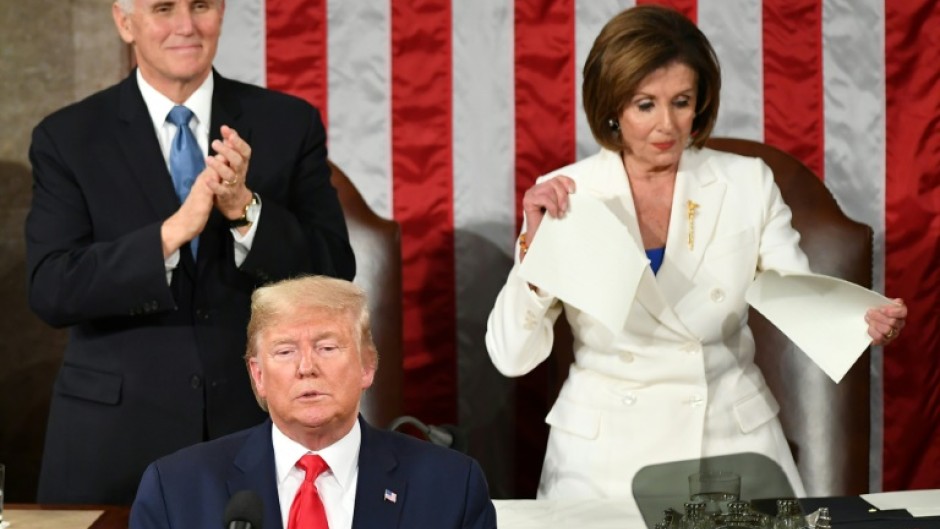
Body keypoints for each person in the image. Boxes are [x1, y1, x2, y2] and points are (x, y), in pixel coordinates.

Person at [485, 5, 907, 507]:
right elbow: (511, 356)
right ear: (612, 106)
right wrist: (536, 257)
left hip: (732, 444)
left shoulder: (747, 182)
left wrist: (857, 320)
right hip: (603, 461)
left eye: (681, 102)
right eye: (645, 105)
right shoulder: (566, 193)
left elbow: (797, 295)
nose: (667, 125)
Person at [26, 0, 355, 504]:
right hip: (114, 441)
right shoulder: (68, 137)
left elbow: (334, 271)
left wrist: (245, 210)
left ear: (221, 12)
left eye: (201, 5)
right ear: (124, 21)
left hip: (254, 431)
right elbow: (52, 287)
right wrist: (171, 234)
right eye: (163, 8)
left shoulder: (288, 124)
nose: (186, 25)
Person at [129, 276, 497, 529]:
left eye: (327, 347)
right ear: (258, 376)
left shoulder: (451, 486)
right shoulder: (175, 489)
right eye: (285, 351)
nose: (307, 367)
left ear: (368, 365)